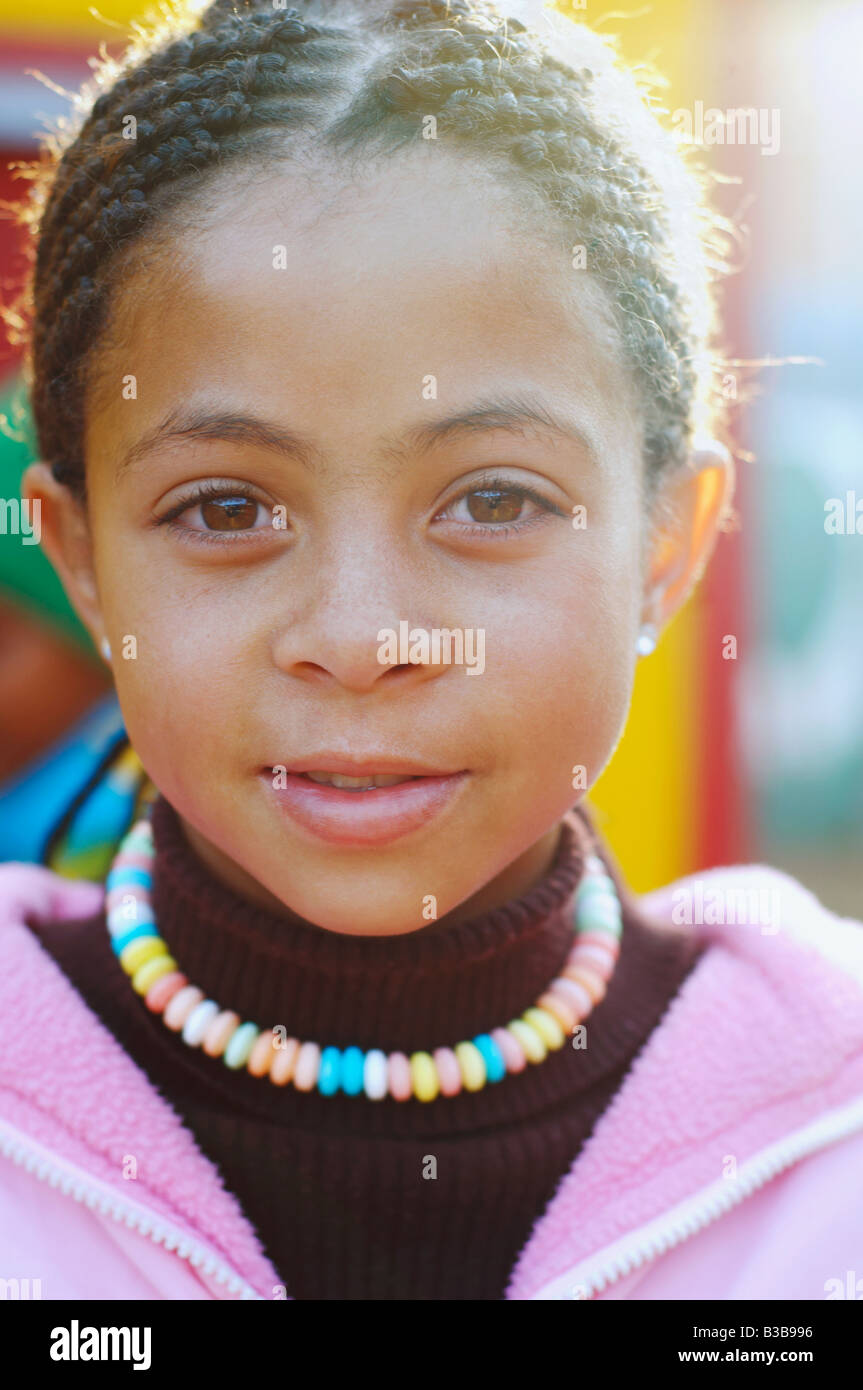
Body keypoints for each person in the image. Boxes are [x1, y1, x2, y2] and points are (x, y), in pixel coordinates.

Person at [1, 0, 861, 1302]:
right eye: (226, 508)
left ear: (668, 547)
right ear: (82, 564)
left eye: (495, 500)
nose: (362, 638)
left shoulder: (833, 1147)